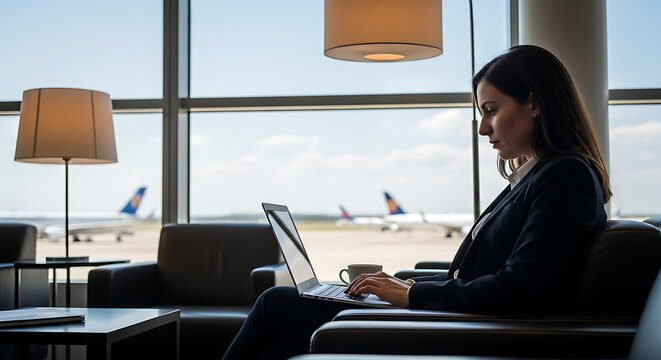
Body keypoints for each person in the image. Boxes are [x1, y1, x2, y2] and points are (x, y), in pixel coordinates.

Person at [222, 44, 610, 359]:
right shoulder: (537, 176)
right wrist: (403, 284)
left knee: (276, 302)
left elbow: (523, 288)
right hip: (459, 318)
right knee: (279, 343)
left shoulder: (566, 176)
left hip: (466, 330)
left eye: (491, 111)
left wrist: (411, 294)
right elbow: (485, 274)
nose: (482, 128)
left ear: (535, 103)